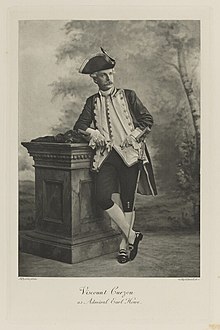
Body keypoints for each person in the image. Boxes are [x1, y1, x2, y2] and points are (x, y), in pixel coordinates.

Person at [74, 48, 157, 264]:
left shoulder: (129, 95)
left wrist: (134, 135)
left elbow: (147, 120)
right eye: (104, 75)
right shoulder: (92, 101)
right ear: (95, 78)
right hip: (107, 156)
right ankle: (132, 236)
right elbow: (80, 126)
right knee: (102, 198)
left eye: (111, 73)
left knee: (127, 202)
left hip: (130, 155)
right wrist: (95, 133)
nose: (109, 78)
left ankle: (124, 247)